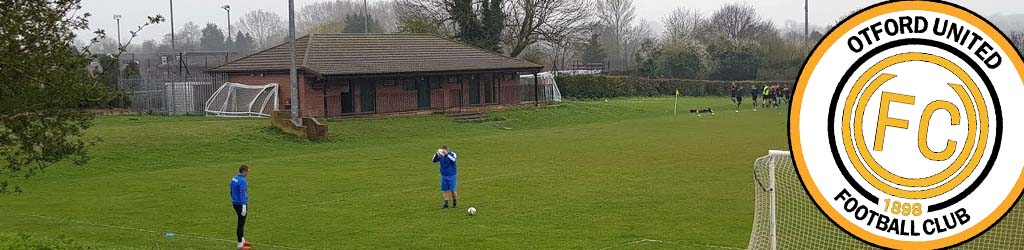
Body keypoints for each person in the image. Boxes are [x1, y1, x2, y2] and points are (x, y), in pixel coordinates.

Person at [230, 165, 250, 249]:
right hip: (240, 204)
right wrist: (244, 205)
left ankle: (242, 240)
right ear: (244, 171)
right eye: (247, 172)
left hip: (235, 202)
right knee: (241, 223)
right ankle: (239, 244)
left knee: (241, 222)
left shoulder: (234, 178)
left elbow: (231, 190)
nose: (247, 174)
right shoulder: (242, 180)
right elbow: (242, 193)